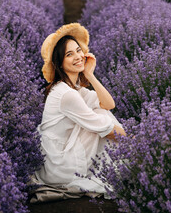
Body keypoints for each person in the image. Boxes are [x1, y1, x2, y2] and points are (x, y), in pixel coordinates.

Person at [34, 23, 126, 199]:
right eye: (69, 54)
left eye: (78, 50)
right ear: (59, 63)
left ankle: (119, 163)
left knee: (101, 112)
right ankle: (123, 162)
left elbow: (108, 104)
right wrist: (135, 144)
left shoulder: (75, 88)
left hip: (59, 157)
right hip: (59, 167)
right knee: (99, 120)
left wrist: (90, 75)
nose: (78, 56)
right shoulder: (66, 94)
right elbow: (105, 128)